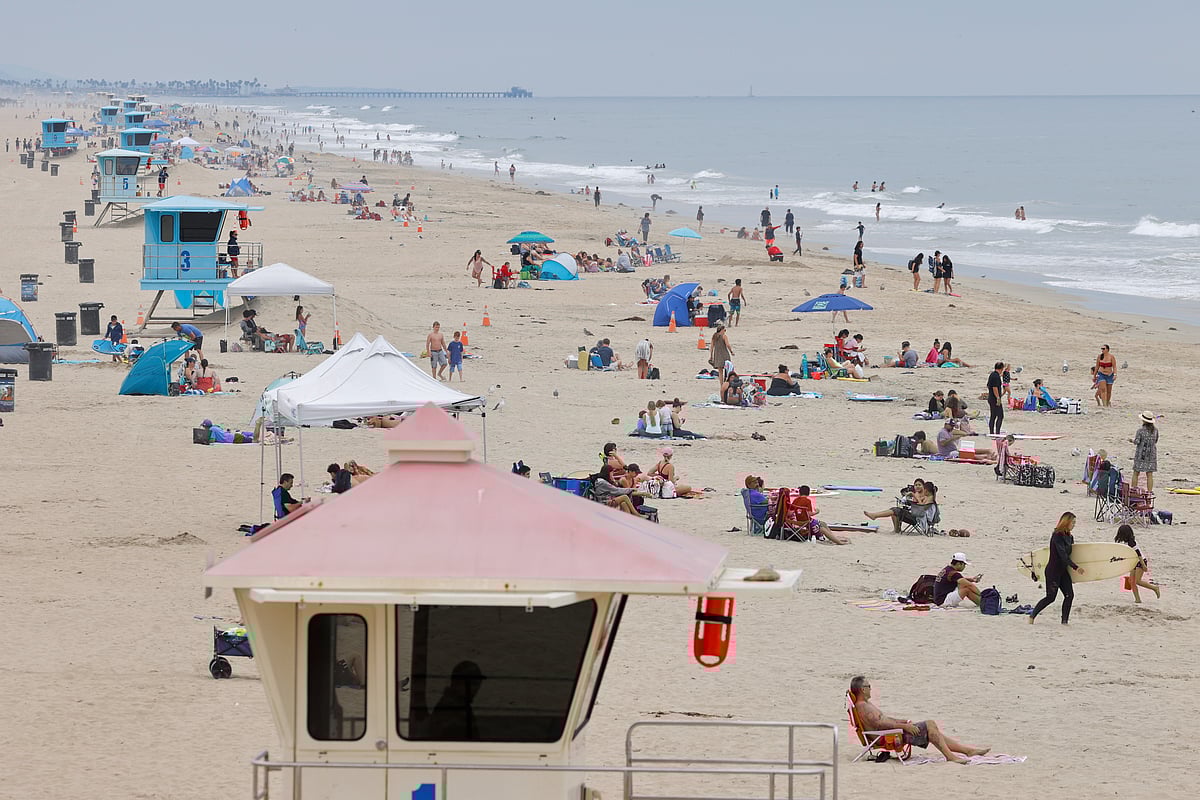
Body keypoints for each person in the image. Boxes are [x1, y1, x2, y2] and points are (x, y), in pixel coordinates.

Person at [849, 677, 990, 764]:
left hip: (892, 732)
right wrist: (903, 727)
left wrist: (902, 721)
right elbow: (879, 724)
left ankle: (967, 751)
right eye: (868, 686)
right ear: (862, 689)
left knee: (931, 728)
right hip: (888, 737)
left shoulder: (864, 705)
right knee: (930, 724)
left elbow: (882, 720)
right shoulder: (863, 707)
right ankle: (950, 756)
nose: (870, 689)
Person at [1030, 512, 1086, 625]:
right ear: (1066, 522)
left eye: (1075, 523)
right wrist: (1076, 568)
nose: (1074, 525)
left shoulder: (1070, 537)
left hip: (1063, 571)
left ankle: (1064, 621)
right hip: (1053, 571)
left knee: (1069, 595)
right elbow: (1063, 555)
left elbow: (1071, 554)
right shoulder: (1057, 536)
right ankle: (1032, 616)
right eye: (1073, 522)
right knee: (1050, 598)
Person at [863, 481, 938, 533]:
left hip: (918, 519)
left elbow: (921, 508)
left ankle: (875, 516)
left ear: (927, 490)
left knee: (896, 510)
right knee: (895, 510)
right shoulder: (929, 497)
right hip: (918, 517)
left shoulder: (929, 499)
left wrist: (913, 498)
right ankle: (897, 529)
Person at [1115, 524, 1161, 603]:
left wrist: (1143, 565)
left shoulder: (1131, 542)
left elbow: (1138, 554)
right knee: (1131, 581)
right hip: (1133, 562)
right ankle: (1137, 599)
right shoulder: (1126, 542)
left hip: (1140, 561)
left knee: (1137, 581)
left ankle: (1155, 588)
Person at [1131, 412, 1158, 492]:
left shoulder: (1140, 431)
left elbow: (1137, 442)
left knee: (1136, 472)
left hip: (1141, 455)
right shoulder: (1155, 430)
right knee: (1149, 474)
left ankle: (1133, 490)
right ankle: (1149, 491)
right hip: (1151, 455)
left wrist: (1131, 440)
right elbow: (1156, 440)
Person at [987, 361, 1005, 435]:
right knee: (1000, 415)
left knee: (993, 416)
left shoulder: (992, 374)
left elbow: (988, 385)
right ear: (1001, 369)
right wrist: (998, 398)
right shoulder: (996, 376)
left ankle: (992, 432)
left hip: (991, 398)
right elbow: (995, 388)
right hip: (995, 399)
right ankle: (997, 432)